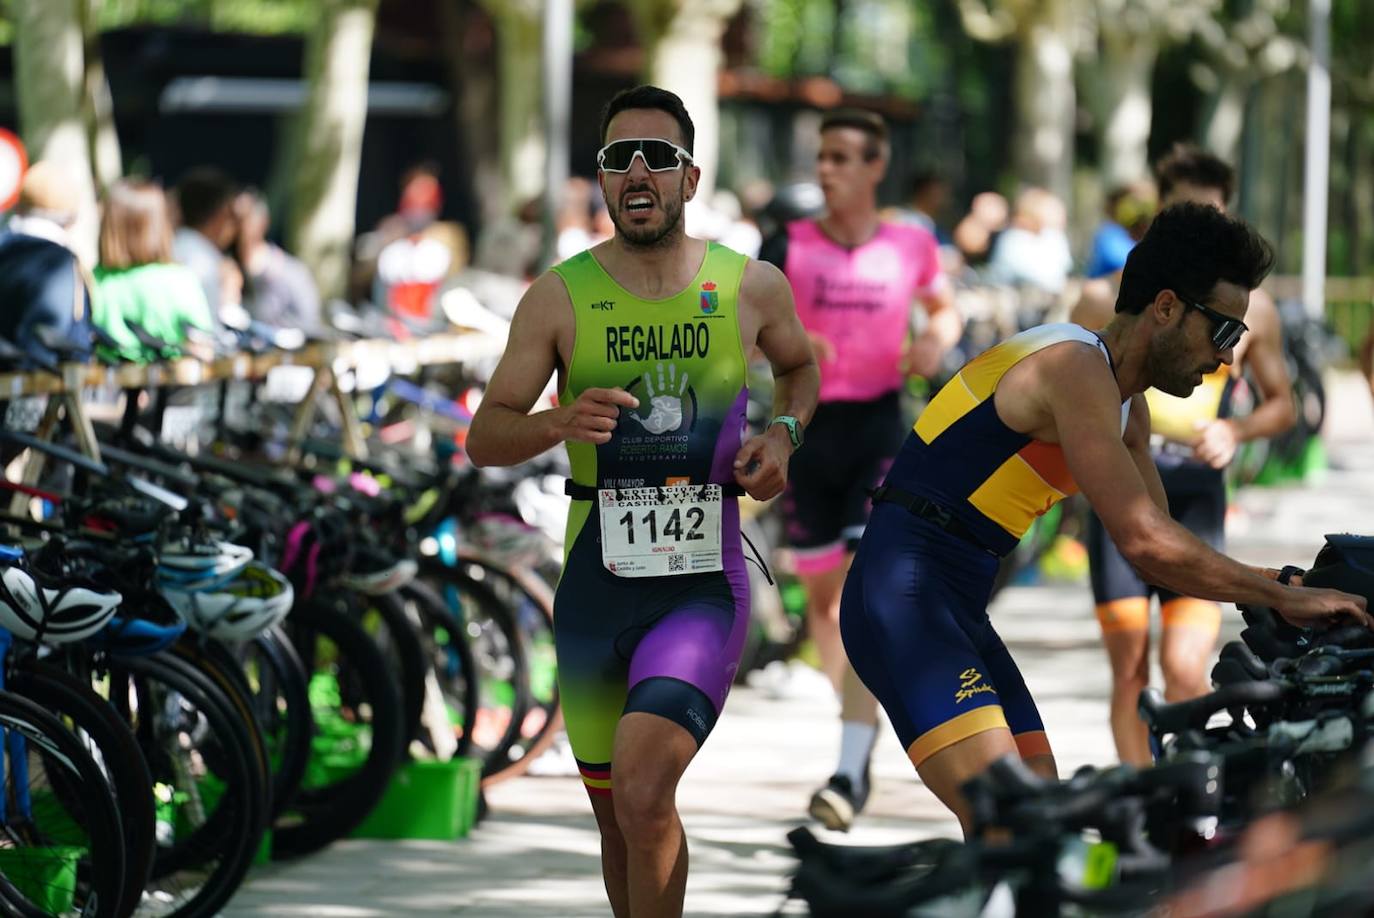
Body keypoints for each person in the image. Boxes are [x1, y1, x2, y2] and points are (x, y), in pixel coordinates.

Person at [839, 201, 1369, 838]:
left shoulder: (1127, 409)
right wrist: (1279, 596)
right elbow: (1142, 541)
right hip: (904, 591)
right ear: (1167, 307)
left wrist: (1284, 585)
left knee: (1044, 833)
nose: (1228, 360)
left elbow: (1171, 550)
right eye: (1225, 333)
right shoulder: (1073, 366)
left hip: (952, 599)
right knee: (1022, 832)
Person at [465, 85, 819, 917]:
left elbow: (799, 369)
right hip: (594, 585)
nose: (636, 171)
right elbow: (487, 436)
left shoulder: (749, 286)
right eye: (617, 158)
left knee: (646, 784)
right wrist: (559, 420)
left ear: (689, 179)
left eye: (657, 156)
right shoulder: (559, 296)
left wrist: (784, 435)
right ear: (600, 181)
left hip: (701, 584)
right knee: (619, 818)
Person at [757, 107, 962, 832]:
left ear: (876, 168)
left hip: (877, 423)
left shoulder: (911, 242)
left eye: (845, 158)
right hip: (804, 430)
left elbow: (945, 308)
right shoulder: (787, 242)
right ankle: (859, 732)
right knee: (823, 607)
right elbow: (746, 328)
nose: (828, 170)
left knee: (859, 593)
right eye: (823, 156)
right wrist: (788, 338)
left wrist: (935, 338)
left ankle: (850, 766)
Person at [1071, 145, 1298, 766]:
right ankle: (1142, 799)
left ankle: (1182, 801)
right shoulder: (1100, 299)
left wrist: (1237, 431)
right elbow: (1066, 392)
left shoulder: (1251, 310)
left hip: (1196, 488)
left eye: (1214, 212)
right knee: (1128, 671)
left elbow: (1285, 405)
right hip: (1119, 484)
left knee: (1183, 665)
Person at [93, 179, 215, 362]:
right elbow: (203, 349)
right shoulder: (181, 280)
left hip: (106, 385)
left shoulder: (95, 280)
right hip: (171, 387)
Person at [0, 161, 93, 364]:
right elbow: (50, 332)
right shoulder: (60, 261)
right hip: (38, 384)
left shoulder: (4, 246)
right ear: (71, 218)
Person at [233, 188, 322, 335]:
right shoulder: (224, 269)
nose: (236, 226)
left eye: (243, 219)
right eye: (232, 218)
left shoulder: (292, 273)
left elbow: (310, 326)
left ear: (263, 222)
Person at [172, 166, 238, 317]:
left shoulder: (171, 246)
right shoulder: (206, 262)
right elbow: (206, 330)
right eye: (231, 214)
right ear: (221, 213)